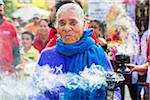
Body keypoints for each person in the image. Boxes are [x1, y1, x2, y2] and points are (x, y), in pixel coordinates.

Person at [37, 3, 121, 100]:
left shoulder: (98, 53)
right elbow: (36, 92)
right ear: (57, 27)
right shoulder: (47, 56)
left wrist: (113, 97)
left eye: (73, 23)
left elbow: (113, 87)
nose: (67, 28)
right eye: (62, 23)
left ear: (84, 25)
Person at [0, 0, 20, 73]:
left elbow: (16, 49)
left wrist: (16, 65)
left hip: (7, 70)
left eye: (1, 6)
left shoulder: (10, 27)